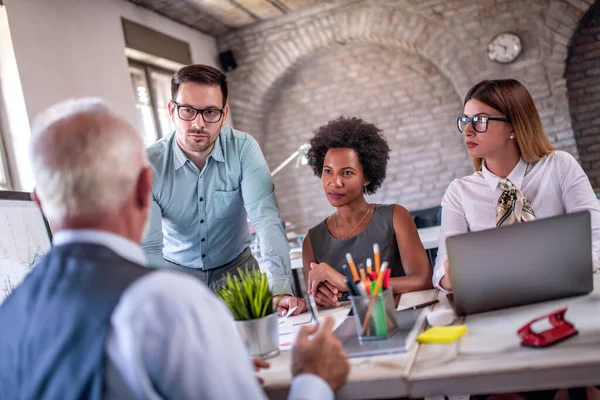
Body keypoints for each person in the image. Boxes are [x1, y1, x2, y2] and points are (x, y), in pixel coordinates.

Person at [0, 98, 350, 399]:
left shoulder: (8, 318)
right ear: (144, 189)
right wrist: (313, 378)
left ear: (39, 202)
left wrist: (205, 368)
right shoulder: (168, 305)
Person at [142, 64, 300, 309]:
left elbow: (265, 219)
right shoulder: (148, 164)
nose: (198, 123)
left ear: (223, 115)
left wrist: (279, 289)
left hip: (239, 273)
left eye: (210, 112)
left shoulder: (244, 148)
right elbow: (150, 248)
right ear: (172, 110)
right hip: (179, 279)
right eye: (187, 111)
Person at [433, 79, 600, 292]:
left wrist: (567, 267)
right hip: (497, 298)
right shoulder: (459, 192)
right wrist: (450, 279)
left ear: (513, 125)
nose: (467, 130)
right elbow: (441, 268)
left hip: (567, 290)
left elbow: (597, 238)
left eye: (480, 120)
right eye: (465, 120)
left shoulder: (559, 166)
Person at [302, 116, 432, 307]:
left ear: (367, 177)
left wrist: (350, 285)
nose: (334, 182)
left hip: (400, 319)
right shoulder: (312, 241)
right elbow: (318, 301)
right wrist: (318, 299)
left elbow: (422, 280)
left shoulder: (395, 217)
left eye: (347, 173)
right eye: (328, 171)